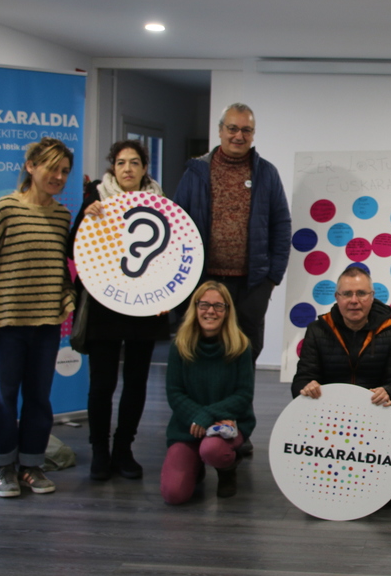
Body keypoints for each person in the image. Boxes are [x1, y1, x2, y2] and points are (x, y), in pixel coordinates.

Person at [175, 102, 291, 453]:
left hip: (251, 284)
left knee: (245, 356)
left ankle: (239, 430)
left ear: (253, 134)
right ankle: (195, 426)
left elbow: (281, 225)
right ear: (220, 130)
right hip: (204, 282)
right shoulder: (196, 172)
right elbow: (176, 222)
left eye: (246, 130)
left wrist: (271, 277)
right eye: (233, 128)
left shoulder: (266, 173)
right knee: (200, 355)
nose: (239, 135)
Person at [0, 137, 76, 498]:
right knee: (3, 398)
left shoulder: (62, 216)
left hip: (46, 325)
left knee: (38, 398)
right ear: (31, 166)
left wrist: (67, 297)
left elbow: (60, 269)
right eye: (52, 168)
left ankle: (31, 465)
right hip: (6, 325)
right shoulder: (5, 208)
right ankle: (4, 467)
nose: (59, 176)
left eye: (65, 171)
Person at [68, 140, 169, 481]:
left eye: (134, 162)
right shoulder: (95, 198)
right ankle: (100, 449)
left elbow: (172, 255)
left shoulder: (161, 203)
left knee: (136, 383)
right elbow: (72, 248)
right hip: (104, 304)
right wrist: (86, 218)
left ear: (144, 168)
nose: (128, 168)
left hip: (144, 305)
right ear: (113, 167)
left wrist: (169, 294)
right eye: (121, 162)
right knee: (102, 383)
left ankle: (124, 449)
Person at [292, 265, 391, 507]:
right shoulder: (317, 330)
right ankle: (321, 479)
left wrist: (388, 392)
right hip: (330, 413)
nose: (354, 300)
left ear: (372, 296)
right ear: (337, 298)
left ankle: (385, 480)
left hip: (374, 410)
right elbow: (300, 381)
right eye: (347, 294)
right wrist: (307, 387)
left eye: (361, 293)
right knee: (301, 408)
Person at [160, 281, 255, 504]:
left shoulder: (241, 345)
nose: (210, 311)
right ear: (195, 308)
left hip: (227, 425)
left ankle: (227, 469)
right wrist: (198, 418)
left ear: (227, 311)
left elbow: (243, 394)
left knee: (213, 450)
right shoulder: (179, 345)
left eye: (218, 306)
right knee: (173, 494)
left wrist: (207, 416)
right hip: (188, 426)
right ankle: (196, 466)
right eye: (204, 305)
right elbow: (174, 393)